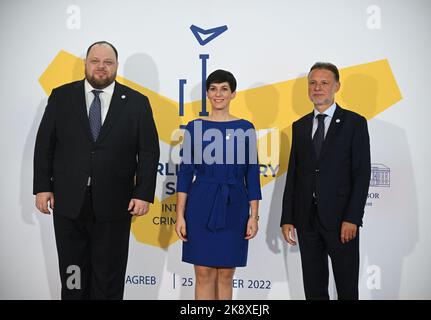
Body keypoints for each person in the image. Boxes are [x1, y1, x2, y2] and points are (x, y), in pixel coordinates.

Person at [33, 41, 160, 299]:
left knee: (108, 277)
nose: (101, 67)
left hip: (116, 205)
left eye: (108, 62)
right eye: (95, 61)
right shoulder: (61, 96)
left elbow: (148, 152)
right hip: (69, 203)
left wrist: (143, 193)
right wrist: (43, 187)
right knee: (73, 275)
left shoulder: (137, 102)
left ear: (116, 66)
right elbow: (44, 145)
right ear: (86, 64)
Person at [280, 62, 371, 300]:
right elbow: (294, 174)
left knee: (347, 288)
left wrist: (352, 217)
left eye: (324, 83)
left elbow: (362, 174)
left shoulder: (354, 123)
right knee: (314, 288)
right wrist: (287, 217)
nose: (317, 88)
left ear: (336, 87)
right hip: (306, 221)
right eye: (312, 83)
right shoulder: (299, 126)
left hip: (342, 222)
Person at [175, 69, 262, 300]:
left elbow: (252, 174)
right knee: (202, 273)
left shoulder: (246, 128)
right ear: (207, 93)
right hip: (201, 203)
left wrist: (254, 215)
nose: (218, 94)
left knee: (225, 275)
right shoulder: (195, 127)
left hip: (235, 204)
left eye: (224, 88)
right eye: (213, 89)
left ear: (233, 93)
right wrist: (180, 215)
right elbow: (184, 173)